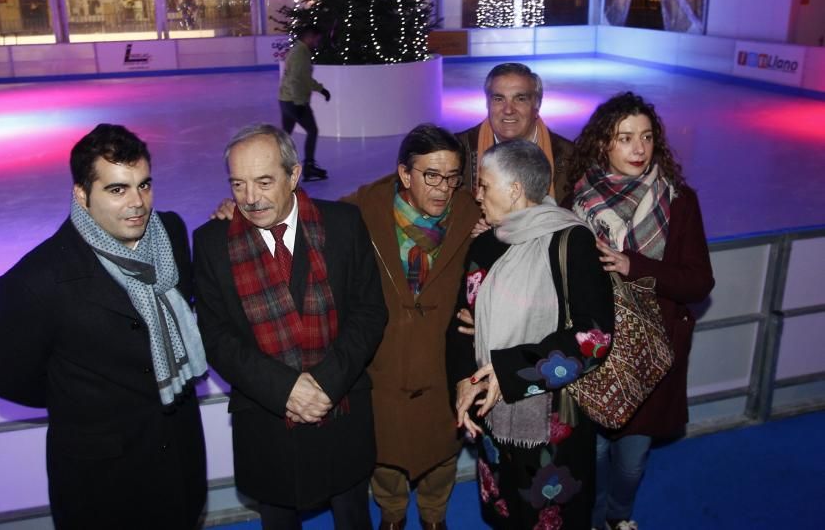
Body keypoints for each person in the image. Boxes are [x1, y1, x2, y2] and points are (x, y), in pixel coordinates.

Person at [0, 124, 208, 529]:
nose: (137, 203)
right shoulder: (35, 282)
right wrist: (88, 406)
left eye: (144, 185)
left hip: (178, 458)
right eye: (117, 189)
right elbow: (13, 383)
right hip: (101, 481)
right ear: (81, 194)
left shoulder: (172, 234)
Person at [193, 123, 386, 529]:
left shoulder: (344, 224)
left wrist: (324, 384)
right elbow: (216, 338)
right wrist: (285, 390)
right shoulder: (212, 242)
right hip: (266, 421)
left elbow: (370, 312)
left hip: (342, 408)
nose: (250, 198)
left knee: (353, 517)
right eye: (238, 184)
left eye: (264, 182)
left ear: (294, 175)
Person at [565, 92, 714, 530]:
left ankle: (618, 518)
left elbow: (699, 281)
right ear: (602, 144)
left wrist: (635, 265)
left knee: (631, 462)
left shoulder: (679, 200)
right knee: (590, 456)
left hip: (653, 352)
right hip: (596, 354)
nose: (638, 149)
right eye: (625, 137)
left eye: (647, 137)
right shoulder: (575, 203)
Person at [448, 140, 615, 529]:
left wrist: (507, 372)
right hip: (493, 419)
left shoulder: (573, 243)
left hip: (554, 427)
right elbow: (460, 323)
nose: (477, 195)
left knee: (548, 517)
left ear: (514, 190)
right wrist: (462, 381)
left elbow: (595, 339)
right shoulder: (487, 244)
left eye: (484, 186)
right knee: (506, 514)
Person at [340, 124, 481, 530]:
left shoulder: (473, 214)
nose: (443, 188)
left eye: (452, 177)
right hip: (384, 367)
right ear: (405, 174)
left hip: (443, 368)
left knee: (442, 455)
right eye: (431, 176)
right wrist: (237, 211)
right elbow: (301, 218)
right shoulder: (362, 212)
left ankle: (435, 517)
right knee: (385, 456)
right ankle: (392, 515)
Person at [456, 62, 574, 203]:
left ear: (537, 105)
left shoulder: (570, 158)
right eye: (499, 99)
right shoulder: (459, 151)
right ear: (487, 104)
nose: (508, 110)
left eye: (520, 99)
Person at [279, 25, 331, 182]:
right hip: (294, 101)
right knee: (312, 131)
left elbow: (305, 79)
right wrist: (299, 104)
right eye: (316, 39)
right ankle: (308, 166)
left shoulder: (299, 51)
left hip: (286, 100)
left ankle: (277, 165)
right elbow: (296, 80)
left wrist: (321, 89)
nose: (317, 42)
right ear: (309, 37)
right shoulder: (300, 54)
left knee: (285, 135)